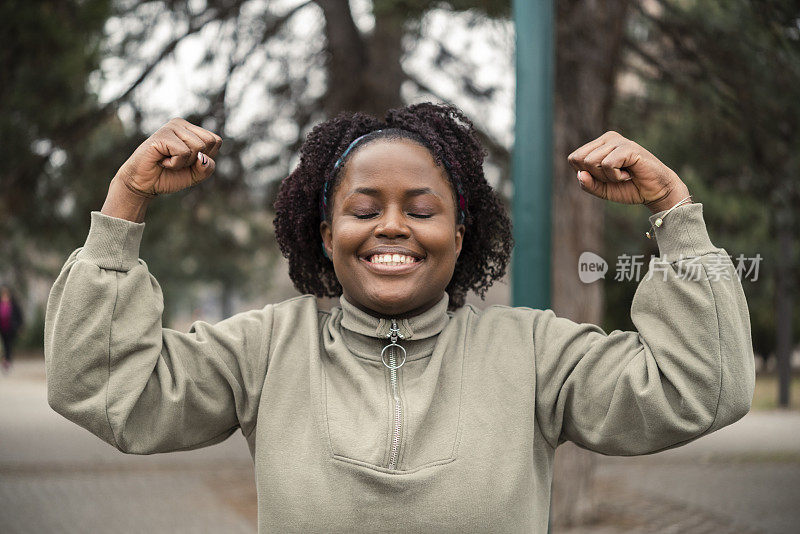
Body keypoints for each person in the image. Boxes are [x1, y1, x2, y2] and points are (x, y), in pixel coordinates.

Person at [44, 103, 755, 533]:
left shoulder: (535, 353)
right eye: (361, 210)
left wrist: (675, 214)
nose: (392, 227)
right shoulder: (267, 347)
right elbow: (108, 391)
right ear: (325, 233)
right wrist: (123, 207)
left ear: (459, 233)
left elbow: (700, 389)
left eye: (421, 211)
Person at [0, 284, 24, 372]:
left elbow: (19, 315)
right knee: (5, 344)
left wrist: (20, 326)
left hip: (11, 328)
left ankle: (8, 360)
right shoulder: (1, 304)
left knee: (9, 345)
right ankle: (6, 360)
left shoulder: (13, 304)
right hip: (2, 329)